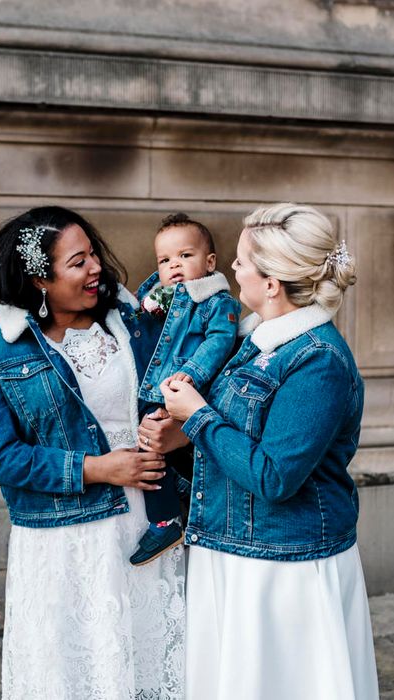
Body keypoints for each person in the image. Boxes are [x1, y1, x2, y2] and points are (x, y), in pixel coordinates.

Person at [149, 203, 379, 699]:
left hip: (283, 563)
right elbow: (246, 430)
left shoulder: (318, 360)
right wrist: (183, 432)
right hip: (231, 544)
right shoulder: (256, 339)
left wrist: (199, 416)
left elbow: (275, 475)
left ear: (272, 283)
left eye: (239, 262)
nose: (231, 269)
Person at [0, 206, 185, 699]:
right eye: (77, 261)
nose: (96, 268)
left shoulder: (136, 318)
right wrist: (97, 468)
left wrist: (179, 434)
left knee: (156, 658)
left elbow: (196, 388)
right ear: (39, 280)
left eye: (93, 254)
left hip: (151, 522)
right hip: (65, 540)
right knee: (82, 670)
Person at [131, 213, 241, 566]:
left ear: (210, 263)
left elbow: (219, 340)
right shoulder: (157, 300)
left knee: (171, 450)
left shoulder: (216, 302)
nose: (174, 265)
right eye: (165, 260)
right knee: (151, 451)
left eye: (185, 256)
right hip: (154, 390)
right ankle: (168, 513)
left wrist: (190, 373)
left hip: (186, 390)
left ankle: (171, 516)